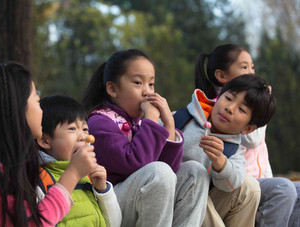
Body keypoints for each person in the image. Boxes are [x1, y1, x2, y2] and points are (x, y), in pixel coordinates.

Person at [0, 62, 100, 226]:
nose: (41, 110)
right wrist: (73, 174)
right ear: (17, 108)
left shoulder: (9, 158)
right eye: (37, 101)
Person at [81, 49, 209, 226]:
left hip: (137, 196)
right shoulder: (99, 122)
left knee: (195, 172)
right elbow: (136, 163)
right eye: (138, 83)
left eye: (151, 84)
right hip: (109, 204)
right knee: (159, 172)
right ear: (112, 88)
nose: (147, 92)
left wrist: (169, 124)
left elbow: (169, 171)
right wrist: (151, 119)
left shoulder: (139, 124)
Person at [194, 43, 298, 227]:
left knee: (294, 189)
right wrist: (261, 112)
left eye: (252, 66)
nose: (251, 72)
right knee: (283, 189)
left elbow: (261, 155)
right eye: (244, 67)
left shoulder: (238, 105)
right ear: (222, 76)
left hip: (258, 179)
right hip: (236, 181)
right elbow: (251, 140)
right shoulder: (221, 107)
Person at [36, 95, 121, 227]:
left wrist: (103, 190)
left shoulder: (89, 177)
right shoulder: (38, 180)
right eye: (72, 129)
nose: (85, 137)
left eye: (85, 129)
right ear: (45, 140)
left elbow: (114, 224)